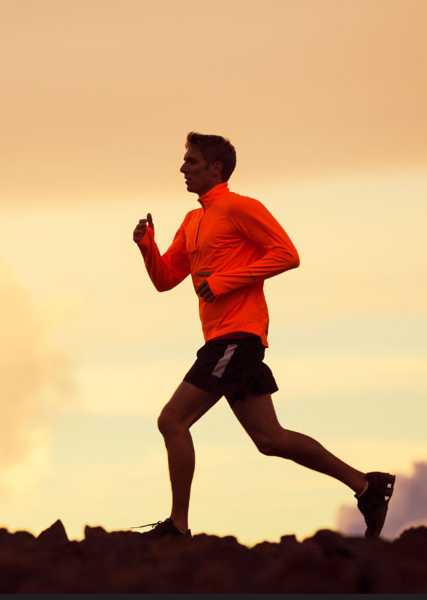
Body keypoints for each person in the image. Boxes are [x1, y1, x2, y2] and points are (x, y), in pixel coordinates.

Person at [132, 132, 395, 540]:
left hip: (236, 336)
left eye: (191, 161)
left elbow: (287, 254)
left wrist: (223, 281)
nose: (183, 168)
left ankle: (177, 527)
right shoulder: (193, 219)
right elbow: (166, 279)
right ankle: (367, 486)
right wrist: (147, 246)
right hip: (224, 339)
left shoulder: (240, 207)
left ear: (215, 169)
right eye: (184, 161)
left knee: (172, 420)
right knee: (270, 440)